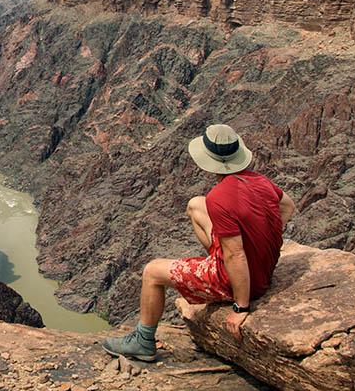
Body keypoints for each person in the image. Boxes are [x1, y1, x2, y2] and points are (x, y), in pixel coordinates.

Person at [102, 123, 295, 362]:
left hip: (241, 281)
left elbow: (236, 255)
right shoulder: (260, 181)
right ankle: (217, 260)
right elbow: (287, 205)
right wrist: (265, 237)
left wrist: (241, 307)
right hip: (262, 268)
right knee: (195, 204)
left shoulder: (220, 198)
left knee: (152, 272)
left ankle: (143, 341)